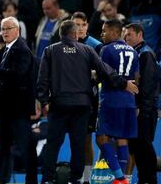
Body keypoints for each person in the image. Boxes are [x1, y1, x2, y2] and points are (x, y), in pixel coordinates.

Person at [36, 20, 138, 184]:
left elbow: (42, 79)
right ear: (75, 34)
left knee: (53, 144)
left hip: (59, 104)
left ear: (60, 34)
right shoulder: (87, 50)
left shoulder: (50, 50)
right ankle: (76, 179)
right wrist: (124, 83)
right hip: (82, 105)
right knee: (78, 144)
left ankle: (47, 179)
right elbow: (106, 71)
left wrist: (43, 101)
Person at [0, 17, 38, 184]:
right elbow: (6, 80)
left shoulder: (21, 50)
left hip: (18, 108)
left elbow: (17, 75)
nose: (5, 32)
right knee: (2, 147)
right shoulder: (5, 51)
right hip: (6, 108)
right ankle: (1, 179)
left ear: (18, 30)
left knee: (26, 146)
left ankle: (31, 180)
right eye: (3, 29)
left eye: (8, 28)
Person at [96, 19, 139, 184]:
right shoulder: (133, 51)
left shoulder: (106, 49)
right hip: (129, 101)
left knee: (101, 138)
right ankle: (123, 180)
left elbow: (102, 75)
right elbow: (136, 79)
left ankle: (119, 178)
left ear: (114, 32)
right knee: (122, 139)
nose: (102, 34)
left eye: (104, 31)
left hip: (111, 100)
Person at [124, 23, 159, 184]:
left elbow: (148, 86)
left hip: (144, 110)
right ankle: (144, 178)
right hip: (138, 109)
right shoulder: (136, 52)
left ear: (140, 34)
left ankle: (149, 179)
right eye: (125, 34)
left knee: (144, 145)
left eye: (129, 34)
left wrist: (141, 108)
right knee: (138, 147)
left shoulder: (146, 54)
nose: (126, 37)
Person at [71, 12, 102, 184]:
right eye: (77, 25)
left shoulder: (96, 45)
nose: (80, 28)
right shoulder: (66, 44)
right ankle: (76, 175)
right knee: (74, 139)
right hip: (70, 98)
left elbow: (103, 72)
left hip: (90, 99)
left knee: (86, 138)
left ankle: (87, 179)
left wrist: (91, 74)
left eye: (83, 25)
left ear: (87, 25)